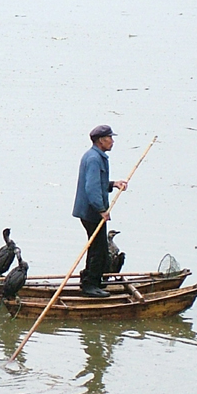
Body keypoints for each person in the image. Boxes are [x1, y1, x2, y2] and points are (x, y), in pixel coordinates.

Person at [72, 125, 127, 297]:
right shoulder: (94, 159)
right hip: (91, 212)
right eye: (110, 138)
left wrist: (113, 184)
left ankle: (90, 279)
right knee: (99, 249)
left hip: (90, 210)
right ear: (101, 140)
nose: (112, 141)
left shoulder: (95, 157)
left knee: (97, 247)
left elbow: (99, 183)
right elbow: (92, 188)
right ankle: (90, 285)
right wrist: (102, 209)